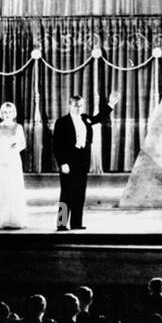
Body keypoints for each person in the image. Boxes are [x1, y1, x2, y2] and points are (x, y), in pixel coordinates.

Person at [51, 91, 120, 231]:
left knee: (79, 193)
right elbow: (57, 145)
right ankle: (61, 223)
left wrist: (111, 104)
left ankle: (76, 223)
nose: (78, 108)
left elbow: (98, 118)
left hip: (82, 161)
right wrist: (62, 163)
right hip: (68, 161)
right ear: (70, 105)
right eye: (76, 105)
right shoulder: (62, 122)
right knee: (66, 193)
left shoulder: (85, 118)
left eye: (81, 105)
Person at [0, 102, 29, 230]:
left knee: (15, 188)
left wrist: (16, 146)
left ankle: (16, 219)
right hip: (1, 161)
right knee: (3, 189)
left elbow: (23, 144)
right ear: (1, 114)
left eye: (10, 112)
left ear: (14, 114)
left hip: (14, 160)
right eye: (5, 112)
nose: (7, 115)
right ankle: (3, 219)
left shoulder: (18, 127)